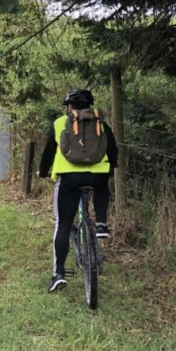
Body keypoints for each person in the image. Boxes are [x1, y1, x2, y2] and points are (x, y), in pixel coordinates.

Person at [37, 89, 118, 293]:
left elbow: (48, 152)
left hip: (69, 178)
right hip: (97, 176)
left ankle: (59, 275)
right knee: (102, 184)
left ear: (69, 107)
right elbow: (113, 149)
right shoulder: (101, 123)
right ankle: (100, 224)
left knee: (63, 224)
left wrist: (43, 172)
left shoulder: (59, 124)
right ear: (90, 106)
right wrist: (110, 167)